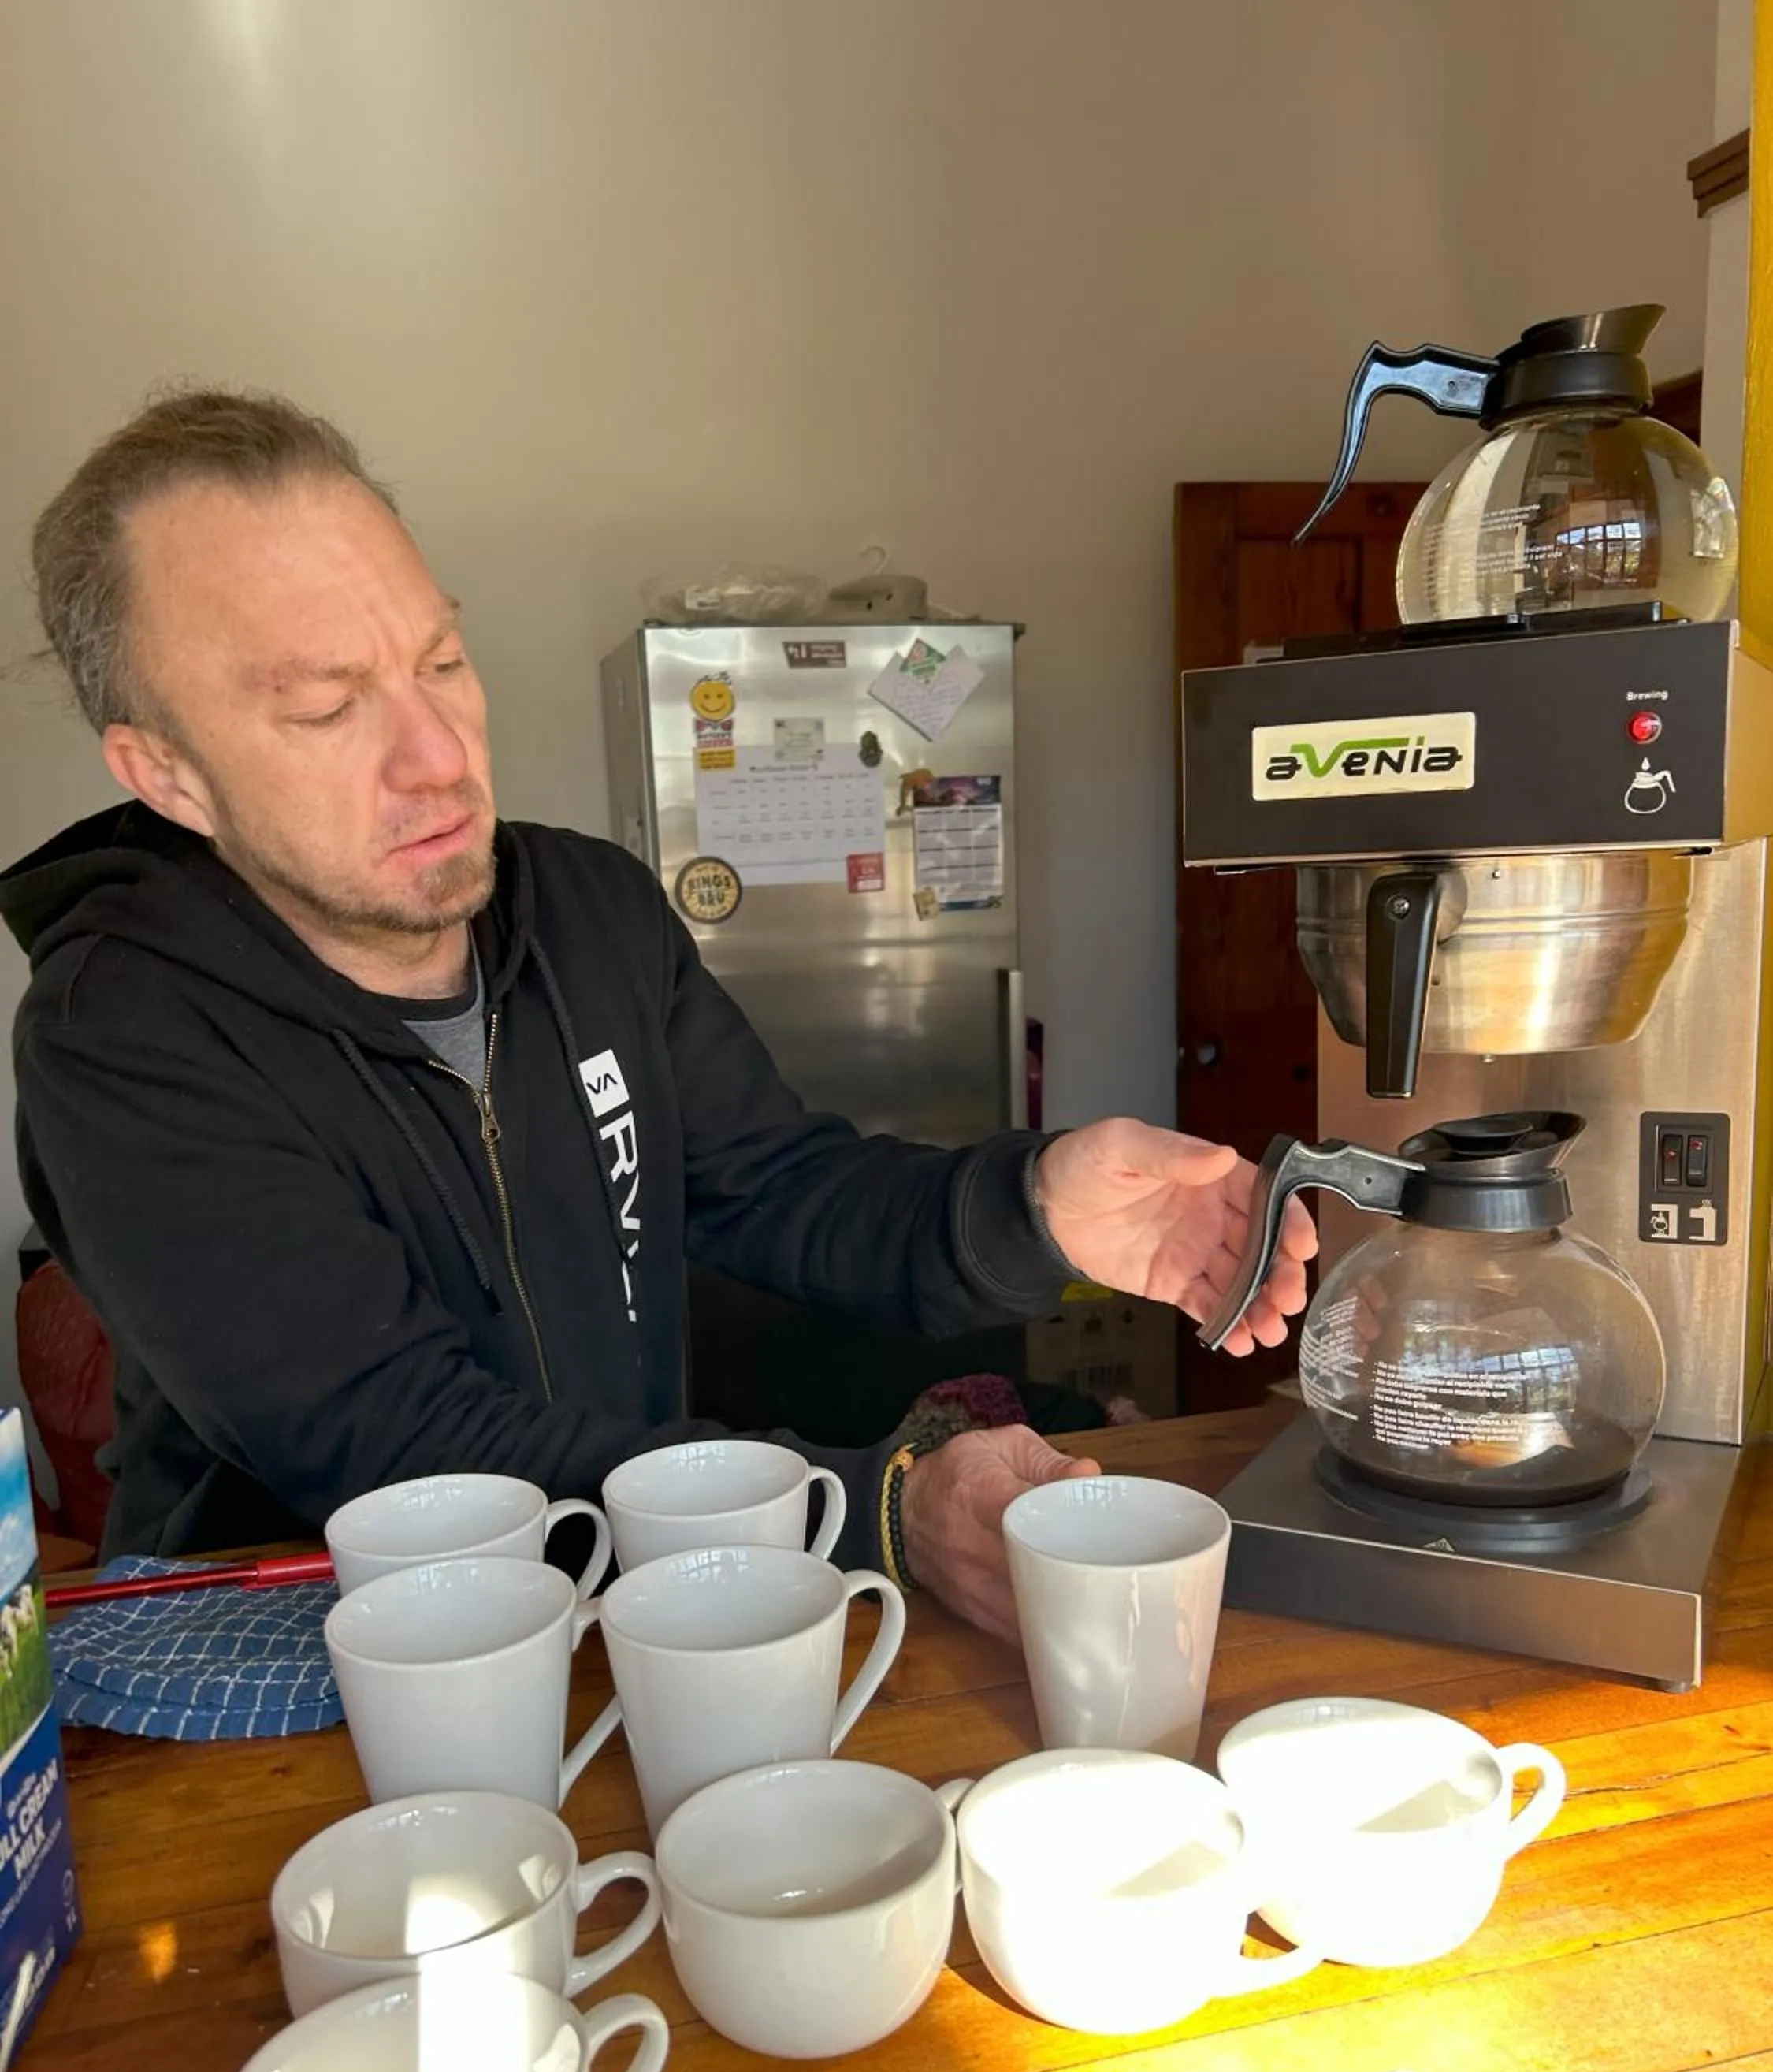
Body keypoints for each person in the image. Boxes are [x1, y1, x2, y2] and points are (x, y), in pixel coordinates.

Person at [3, 390, 1314, 1641]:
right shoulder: (121, 1031)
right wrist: (871, 1510)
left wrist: (1032, 1207)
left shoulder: (586, 911)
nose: (438, 753)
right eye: (327, 707)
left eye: (442, 661)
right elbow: (397, 1446)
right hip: (316, 1661)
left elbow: (775, 1186)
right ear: (165, 773)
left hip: (647, 1599)